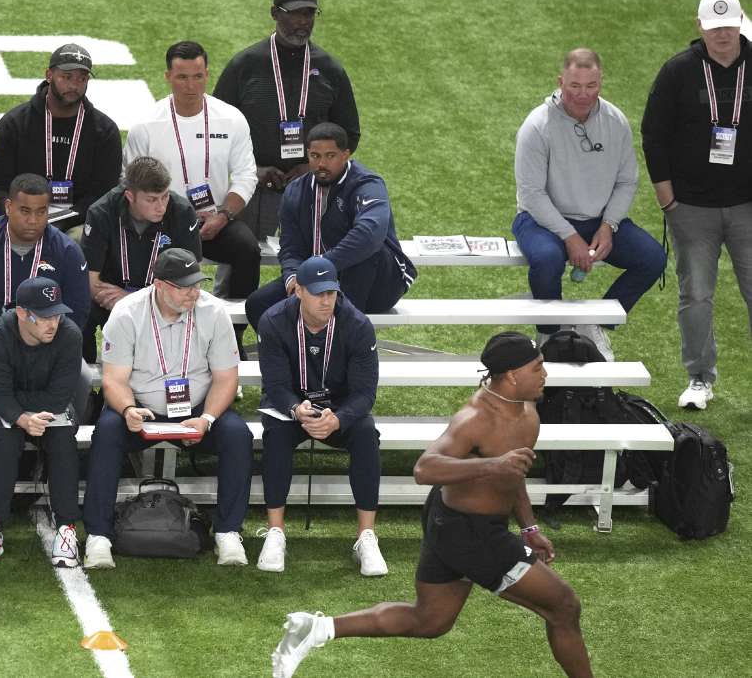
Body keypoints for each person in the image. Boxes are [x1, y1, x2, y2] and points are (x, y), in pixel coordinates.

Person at [270, 332, 593, 678]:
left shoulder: (526, 410)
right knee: (563, 606)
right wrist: (492, 464)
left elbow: (513, 475)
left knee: (429, 620)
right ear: (512, 374)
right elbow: (425, 468)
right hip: (471, 533)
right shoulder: (476, 419)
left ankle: (317, 628)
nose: (545, 374)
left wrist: (529, 527)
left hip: (454, 524)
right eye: (538, 367)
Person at [81, 249, 253, 569]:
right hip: (141, 408)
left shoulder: (213, 312)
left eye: (197, 283)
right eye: (184, 285)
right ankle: (98, 535)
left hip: (196, 409)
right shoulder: (127, 312)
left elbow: (227, 378)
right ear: (159, 285)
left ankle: (228, 531)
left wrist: (207, 418)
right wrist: (129, 410)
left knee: (236, 435)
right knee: (107, 433)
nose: (194, 292)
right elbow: (114, 380)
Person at [514, 48, 667, 360]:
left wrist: (609, 225)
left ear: (601, 83)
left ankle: (596, 325)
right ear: (560, 82)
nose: (583, 95)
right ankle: (549, 334)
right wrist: (570, 237)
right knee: (546, 260)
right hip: (541, 220)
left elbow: (627, 181)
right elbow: (531, 194)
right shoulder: (536, 125)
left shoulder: (616, 121)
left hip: (599, 219)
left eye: (591, 86)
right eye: (574, 86)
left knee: (652, 259)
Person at [642, 0, 752, 410]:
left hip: (747, 205)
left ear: (740, 22)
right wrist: (666, 196)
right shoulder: (678, 72)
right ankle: (700, 378)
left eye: (728, 26)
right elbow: (654, 132)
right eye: (713, 27)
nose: (722, 35)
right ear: (699, 27)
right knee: (696, 295)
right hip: (691, 207)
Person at [255, 257, 385, 576]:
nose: (327, 301)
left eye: (331, 292)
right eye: (318, 293)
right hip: (293, 406)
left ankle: (367, 536)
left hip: (339, 407)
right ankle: (275, 532)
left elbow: (365, 392)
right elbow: (275, 384)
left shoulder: (356, 324)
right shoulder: (273, 321)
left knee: (367, 433)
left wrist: (338, 419)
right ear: (298, 291)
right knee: (276, 433)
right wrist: (295, 409)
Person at [214, 0, 361, 240]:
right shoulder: (246, 65)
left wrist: (314, 165)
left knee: (317, 263)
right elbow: (216, 129)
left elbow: (349, 132)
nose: (303, 22)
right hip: (255, 186)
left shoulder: (329, 69)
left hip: (314, 186)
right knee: (240, 264)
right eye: (294, 14)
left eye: (309, 13)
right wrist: (252, 169)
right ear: (274, 13)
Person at [124, 40, 261, 306]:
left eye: (198, 77)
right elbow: (131, 184)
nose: (191, 86)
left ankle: (233, 333)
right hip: (163, 224)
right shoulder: (146, 125)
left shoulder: (231, 119)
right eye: (182, 77)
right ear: (168, 77)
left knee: (248, 250)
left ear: (207, 75)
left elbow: (246, 176)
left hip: (216, 220)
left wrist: (223, 216)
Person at [0, 174, 92, 418]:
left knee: (83, 375)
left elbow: (78, 308)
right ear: (8, 207)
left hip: (46, 347)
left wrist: (54, 341)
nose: (33, 220)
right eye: (25, 211)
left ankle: (64, 436)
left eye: (41, 212)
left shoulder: (67, 251)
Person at [245, 123, 416, 328]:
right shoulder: (295, 191)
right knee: (258, 304)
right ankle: (289, 357)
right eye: (315, 156)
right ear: (307, 154)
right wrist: (293, 277)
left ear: (345, 155)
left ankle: (339, 350)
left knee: (367, 255)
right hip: (315, 279)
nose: (321, 164)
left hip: (378, 281)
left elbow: (369, 234)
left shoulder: (367, 184)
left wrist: (319, 268)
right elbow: (291, 247)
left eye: (330, 156)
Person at [0, 277, 85, 570]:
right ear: (22, 313)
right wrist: (20, 417)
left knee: (62, 441)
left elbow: (59, 397)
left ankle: (67, 528)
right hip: (7, 409)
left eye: (57, 315)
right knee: (7, 441)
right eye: (44, 317)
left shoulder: (70, 335)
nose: (53, 324)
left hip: (45, 408)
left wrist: (13, 407)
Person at [0, 43, 123, 225]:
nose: (74, 85)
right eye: (67, 77)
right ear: (49, 75)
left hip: (78, 223)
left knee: (79, 239)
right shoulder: (14, 123)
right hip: (19, 220)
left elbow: (104, 195)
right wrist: (17, 218)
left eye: (82, 79)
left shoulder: (105, 131)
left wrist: (58, 221)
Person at [80, 156, 203, 361]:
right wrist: (124, 303)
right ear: (130, 196)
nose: (161, 207)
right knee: (80, 312)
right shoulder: (101, 212)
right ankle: (85, 384)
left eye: (164, 197)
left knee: (190, 307)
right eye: (151, 199)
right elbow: (91, 282)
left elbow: (190, 281)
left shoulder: (182, 212)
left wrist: (133, 301)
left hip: (162, 299)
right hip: (109, 298)